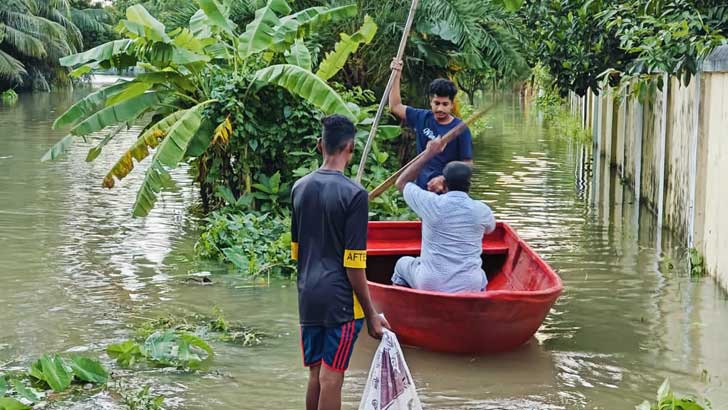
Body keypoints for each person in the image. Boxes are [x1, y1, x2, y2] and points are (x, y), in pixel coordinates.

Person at [290, 115, 390, 410]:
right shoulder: (355, 195)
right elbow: (354, 265)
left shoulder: (299, 188)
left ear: (320, 145)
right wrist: (371, 314)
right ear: (351, 147)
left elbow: (298, 253)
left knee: (316, 375)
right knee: (332, 380)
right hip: (340, 301)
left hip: (307, 295)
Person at [391, 137, 496, 293]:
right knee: (481, 276)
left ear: (444, 184)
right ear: (469, 185)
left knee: (402, 264)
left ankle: (402, 309)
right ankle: (476, 311)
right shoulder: (482, 211)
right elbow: (490, 229)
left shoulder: (430, 203)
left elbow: (401, 182)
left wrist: (428, 154)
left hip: (430, 283)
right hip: (469, 285)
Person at [388, 58, 473, 193]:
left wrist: (444, 179)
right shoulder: (422, 117)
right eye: (436, 103)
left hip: (445, 190)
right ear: (430, 102)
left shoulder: (460, 129)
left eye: (445, 104)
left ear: (452, 104)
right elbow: (395, 106)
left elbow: (467, 164)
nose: (440, 108)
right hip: (422, 188)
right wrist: (396, 75)